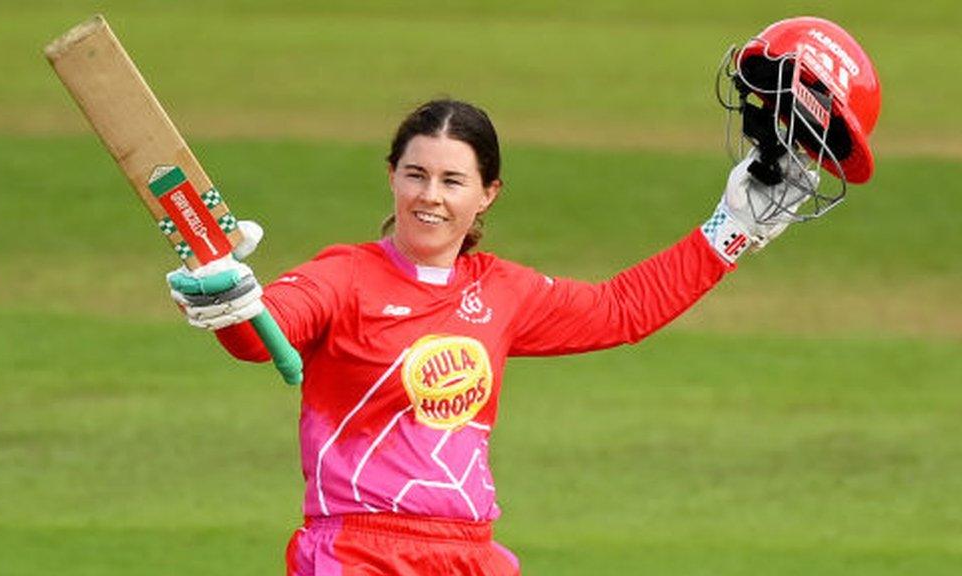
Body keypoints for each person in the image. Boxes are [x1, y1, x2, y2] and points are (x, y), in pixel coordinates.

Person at [168, 99, 808, 575]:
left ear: (487, 195)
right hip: (358, 550)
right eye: (415, 175)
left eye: (452, 181)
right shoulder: (345, 275)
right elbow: (265, 333)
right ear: (391, 175)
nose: (429, 197)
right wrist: (229, 304)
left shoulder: (502, 291)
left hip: (469, 554)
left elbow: (622, 309)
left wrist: (732, 228)